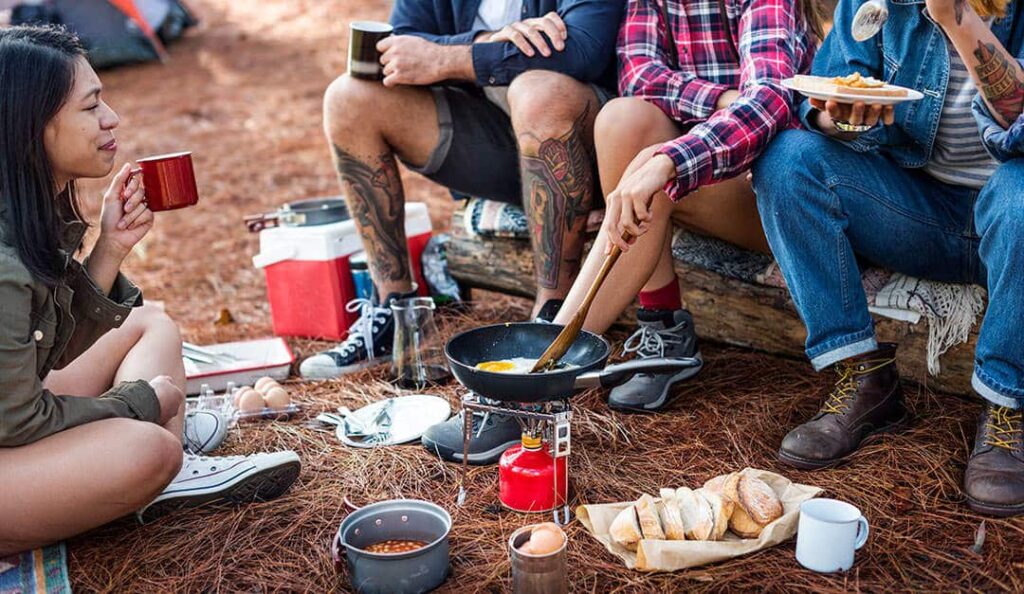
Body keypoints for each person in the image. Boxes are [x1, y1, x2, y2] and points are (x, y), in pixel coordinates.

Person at [0, 26, 300, 555]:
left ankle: (173, 473)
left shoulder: (21, 214)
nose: (111, 117)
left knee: (148, 323)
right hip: (10, 440)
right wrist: (140, 402)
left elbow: (39, 356)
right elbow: (20, 420)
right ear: (33, 127)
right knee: (146, 449)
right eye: (91, 106)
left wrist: (110, 250)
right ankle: (165, 463)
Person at [752, 0, 1024, 516]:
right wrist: (838, 117)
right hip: (918, 212)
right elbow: (828, 90)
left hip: (1013, 212)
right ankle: (863, 379)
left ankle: (1009, 409)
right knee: (789, 162)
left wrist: (955, 17)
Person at [300, 0, 625, 381]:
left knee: (539, 91)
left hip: (595, 147)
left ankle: (553, 317)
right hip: (497, 141)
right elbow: (399, 46)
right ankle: (396, 313)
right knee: (348, 96)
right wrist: (485, 41)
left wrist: (446, 59)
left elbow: (584, 50)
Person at [547, 0, 819, 413]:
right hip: (698, 168)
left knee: (650, 167)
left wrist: (672, 160)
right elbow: (638, 77)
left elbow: (769, 99)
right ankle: (663, 327)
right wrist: (724, 100)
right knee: (622, 119)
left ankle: (543, 373)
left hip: (771, 192)